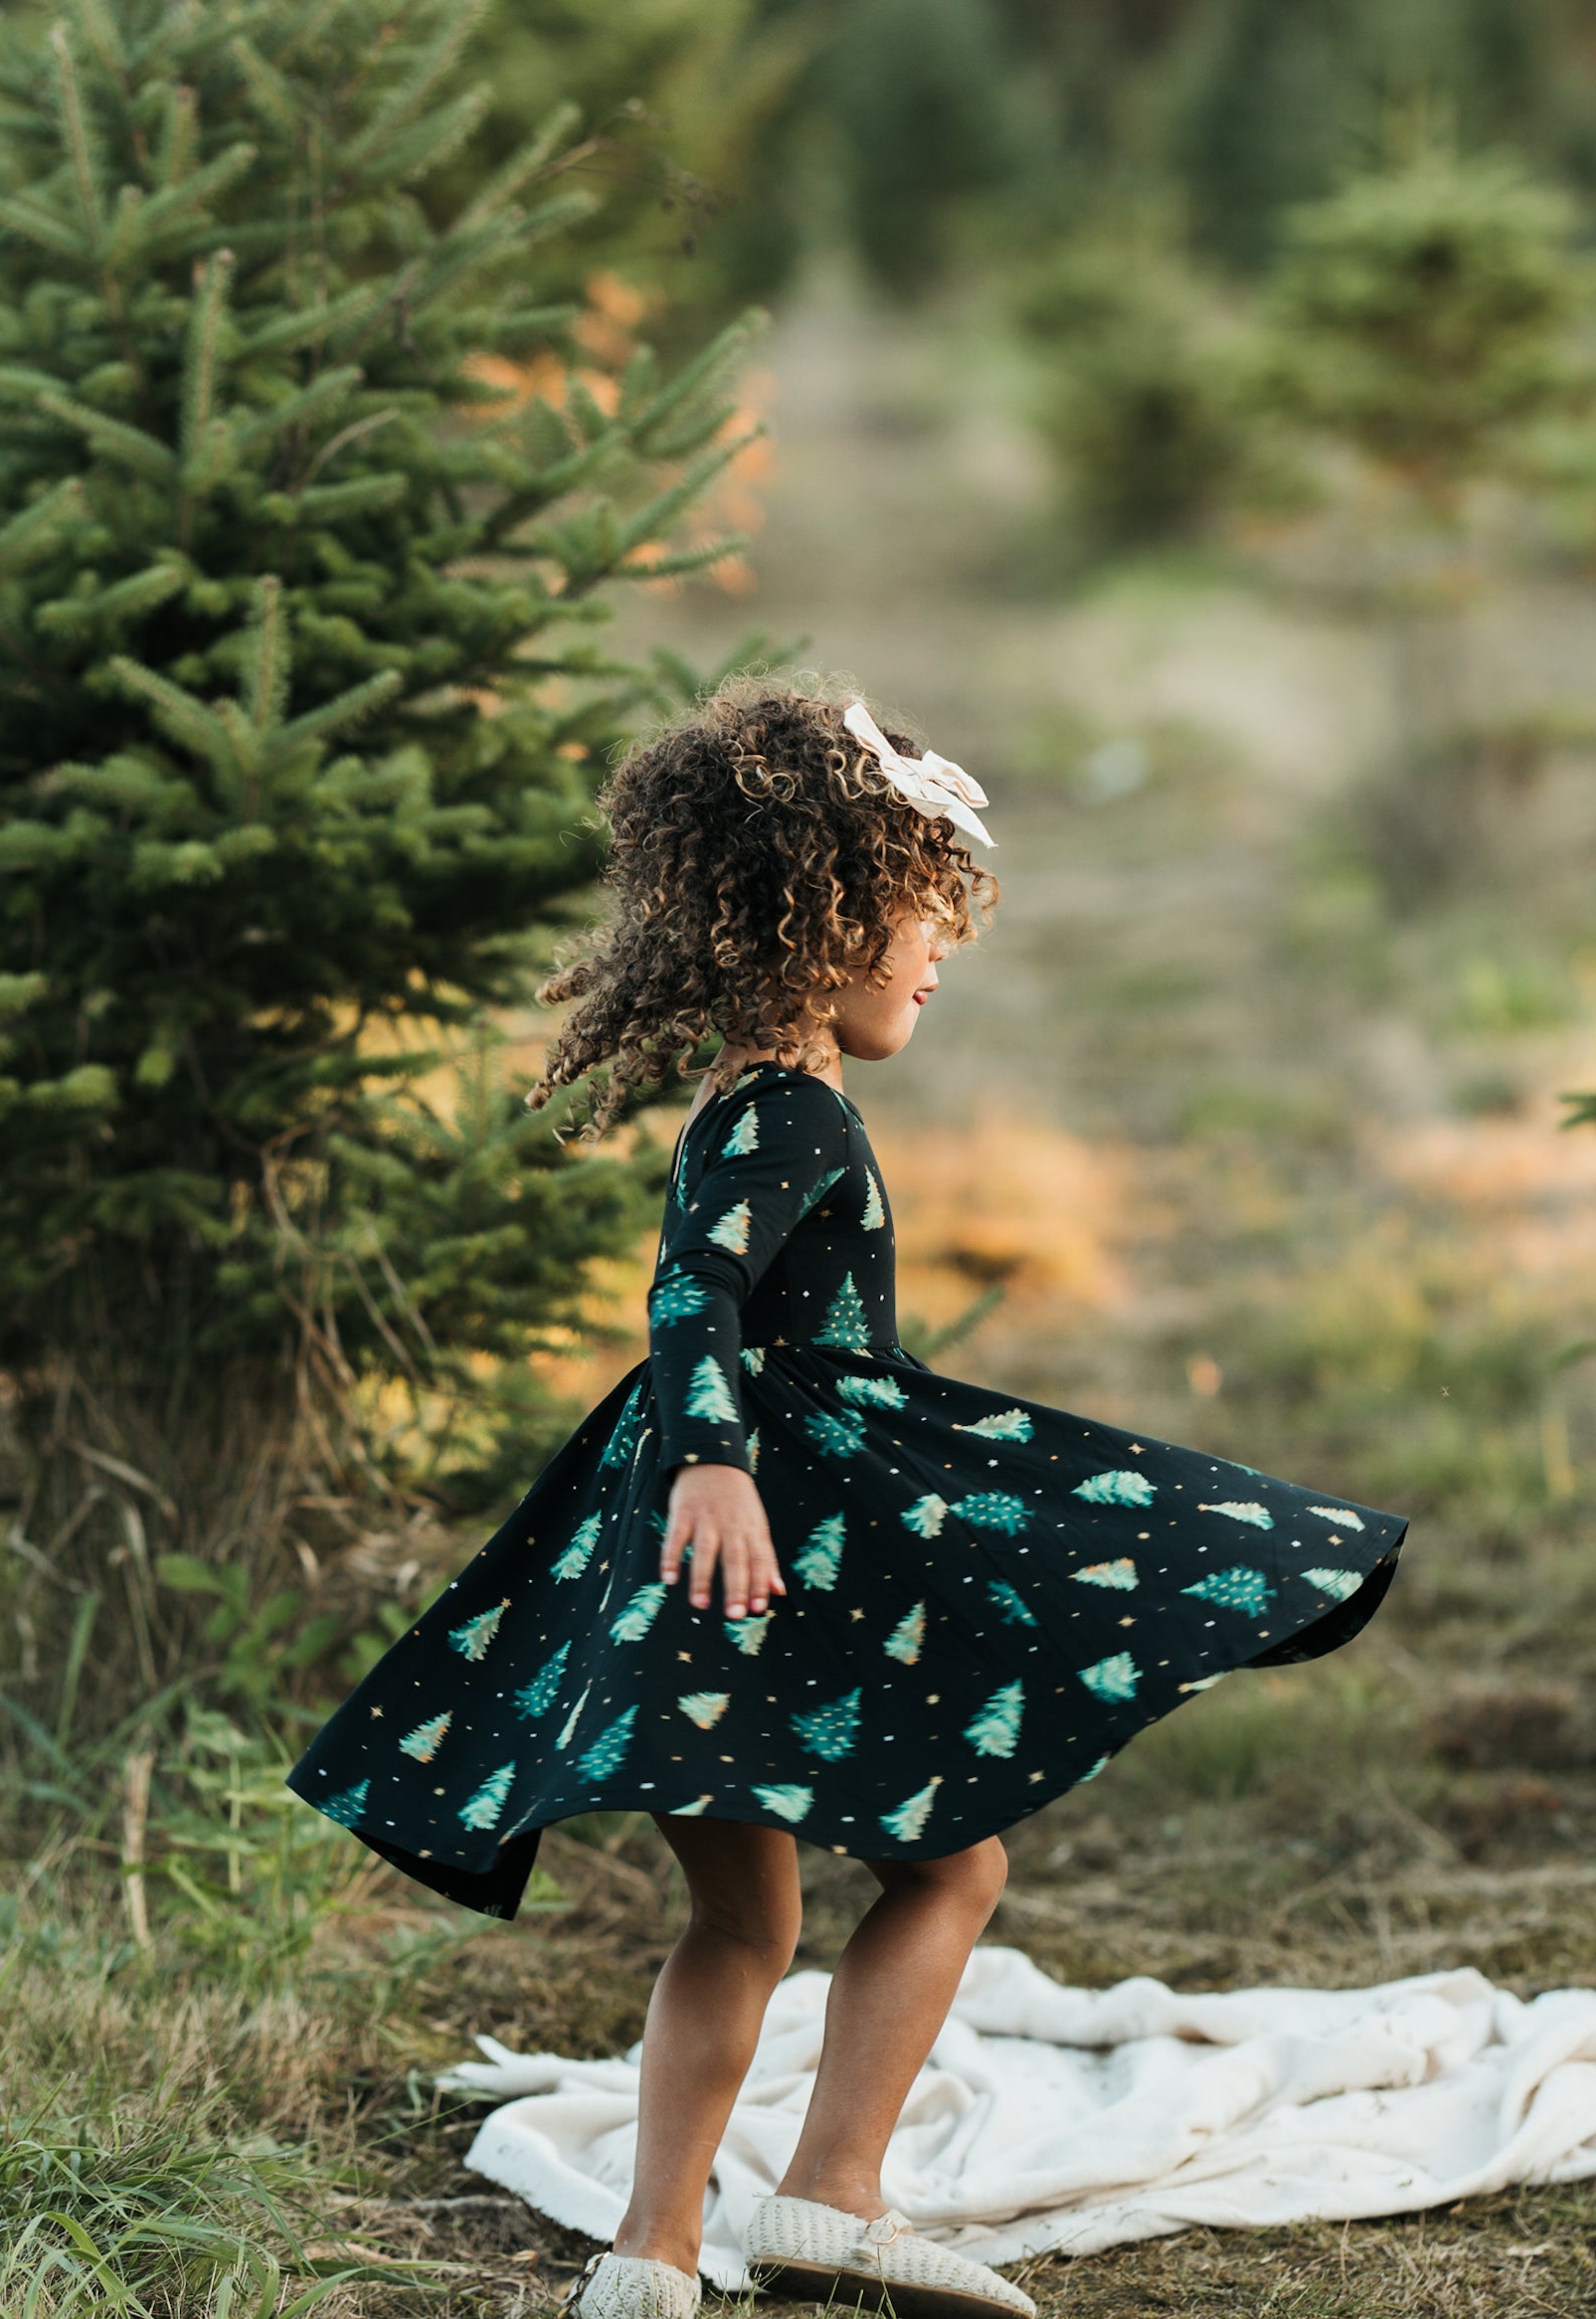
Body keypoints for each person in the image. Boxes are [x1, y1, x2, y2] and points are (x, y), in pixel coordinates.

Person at [287, 678, 1408, 2319]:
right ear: (817, 923)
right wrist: (726, 1466)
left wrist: (710, 1464)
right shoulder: (792, 1108)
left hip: (702, 1529)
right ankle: (831, 2195)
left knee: (739, 1918)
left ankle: (651, 2259)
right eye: (915, 919)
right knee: (953, 1871)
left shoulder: (744, 1099)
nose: (940, 957)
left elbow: (697, 1305)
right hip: (768, 1517)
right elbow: (692, 1298)